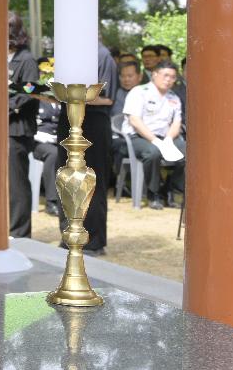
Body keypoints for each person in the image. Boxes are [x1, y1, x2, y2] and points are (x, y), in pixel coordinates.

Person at [55, 44, 117, 252]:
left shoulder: (102, 55)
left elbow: (108, 97)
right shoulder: (65, 55)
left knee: (92, 182)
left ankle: (93, 240)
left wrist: (74, 95)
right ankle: (68, 236)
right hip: (67, 119)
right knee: (65, 178)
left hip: (93, 123)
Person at [121, 60, 185, 210]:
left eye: (173, 77)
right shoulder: (139, 92)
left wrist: (168, 140)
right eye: (165, 75)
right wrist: (156, 141)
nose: (168, 80)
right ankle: (153, 193)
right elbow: (135, 121)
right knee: (153, 153)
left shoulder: (173, 98)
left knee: (187, 152)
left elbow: (177, 123)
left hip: (165, 137)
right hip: (138, 137)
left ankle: (170, 189)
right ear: (155, 75)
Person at [7, 12, 39, 238]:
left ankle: (20, 232)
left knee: (17, 182)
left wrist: (5, 106)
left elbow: (30, 91)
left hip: (16, 129)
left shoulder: (26, 59)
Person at [33, 98, 62, 217]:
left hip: (57, 139)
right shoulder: (37, 98)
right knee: (53, 154)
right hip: (37, 141)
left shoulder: (61, 98)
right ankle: (51, 202)